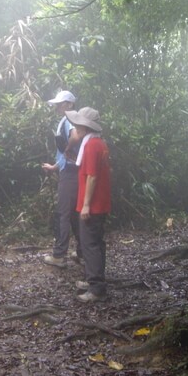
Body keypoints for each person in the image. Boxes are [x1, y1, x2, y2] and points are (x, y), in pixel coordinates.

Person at [65, 107, 111, 303]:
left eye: (78, 124)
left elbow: (92, 176)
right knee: (96, 242)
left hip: (93, 204)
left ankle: (96, 288)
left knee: (89, 244)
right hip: (100, 202)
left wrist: (85, 205)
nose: (75, 127)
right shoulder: (98, 143)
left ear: (86, 126)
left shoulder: (91, 145)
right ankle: (95, 280)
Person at [42, 90, 82, 268]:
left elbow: (74, 138)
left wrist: (67, 149)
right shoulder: (70, 121)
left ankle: (59, 256)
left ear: (70, 104)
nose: (58, 106)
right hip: (74, 172)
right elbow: (68, 153)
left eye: (61, 103)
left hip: (70, 175)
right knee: (74, 214)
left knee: (63, 214)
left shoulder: (70, 120)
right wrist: (54, 166)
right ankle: (82, 252)